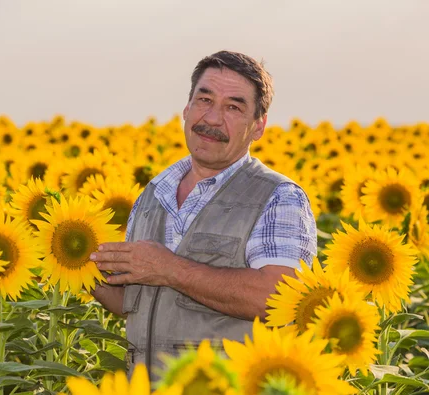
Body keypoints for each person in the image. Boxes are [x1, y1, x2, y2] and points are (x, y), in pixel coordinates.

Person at [90, 50, 317, 380]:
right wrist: (80, 269)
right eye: (204, 100)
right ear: (186, 108)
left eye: (233, 107)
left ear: (258, 127)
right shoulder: (153, 193)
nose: (212, 118)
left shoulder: (277, 197)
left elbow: (277, 300)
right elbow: (135, 303)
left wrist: (168, 268)